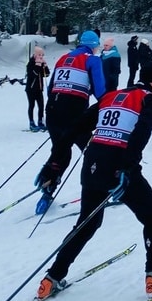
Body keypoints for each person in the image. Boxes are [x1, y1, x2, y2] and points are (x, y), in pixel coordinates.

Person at [36, 60, 152, 301]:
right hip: (118, 167)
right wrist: (126, 168)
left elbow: (73, 129)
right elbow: (140, 135)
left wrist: (54, 164)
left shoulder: (110, 96)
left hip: (92, 164)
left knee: (86, 224)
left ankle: (52, 278)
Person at [33, 30, 107, 213]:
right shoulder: (92, 59)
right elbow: (101, 92)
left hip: (52, 111)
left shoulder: (63, 58)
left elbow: (51, 88)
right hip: (73, 113)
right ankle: (104, 189)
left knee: (61, 152)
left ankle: (47, 190)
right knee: (92, 151)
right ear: (94, 45)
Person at [25, 46, 50, 131]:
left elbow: (46, 74)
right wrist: (37, 65)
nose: (41, 56)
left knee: (41, 106)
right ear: (35, 55)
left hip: (39, 89)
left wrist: (45, 66)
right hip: (31, 89)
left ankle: (40, 121)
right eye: (39, 54)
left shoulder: (41, 63)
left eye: (42, 55)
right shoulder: (31, 63)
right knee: (32, 105)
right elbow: (33, 74)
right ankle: (31, 123)